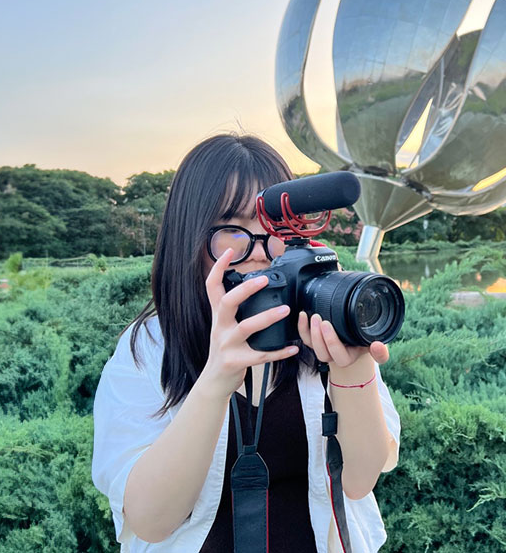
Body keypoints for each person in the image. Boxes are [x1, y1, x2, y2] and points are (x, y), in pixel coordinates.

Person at [91, 132, 401, 553]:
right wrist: (217, 378)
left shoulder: (318, 328)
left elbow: (359, 480)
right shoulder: (150, 347)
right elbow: (150, 520)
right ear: (191, 238)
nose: (259, 252)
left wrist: (353, 367)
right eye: (233, 230)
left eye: (275, 228)